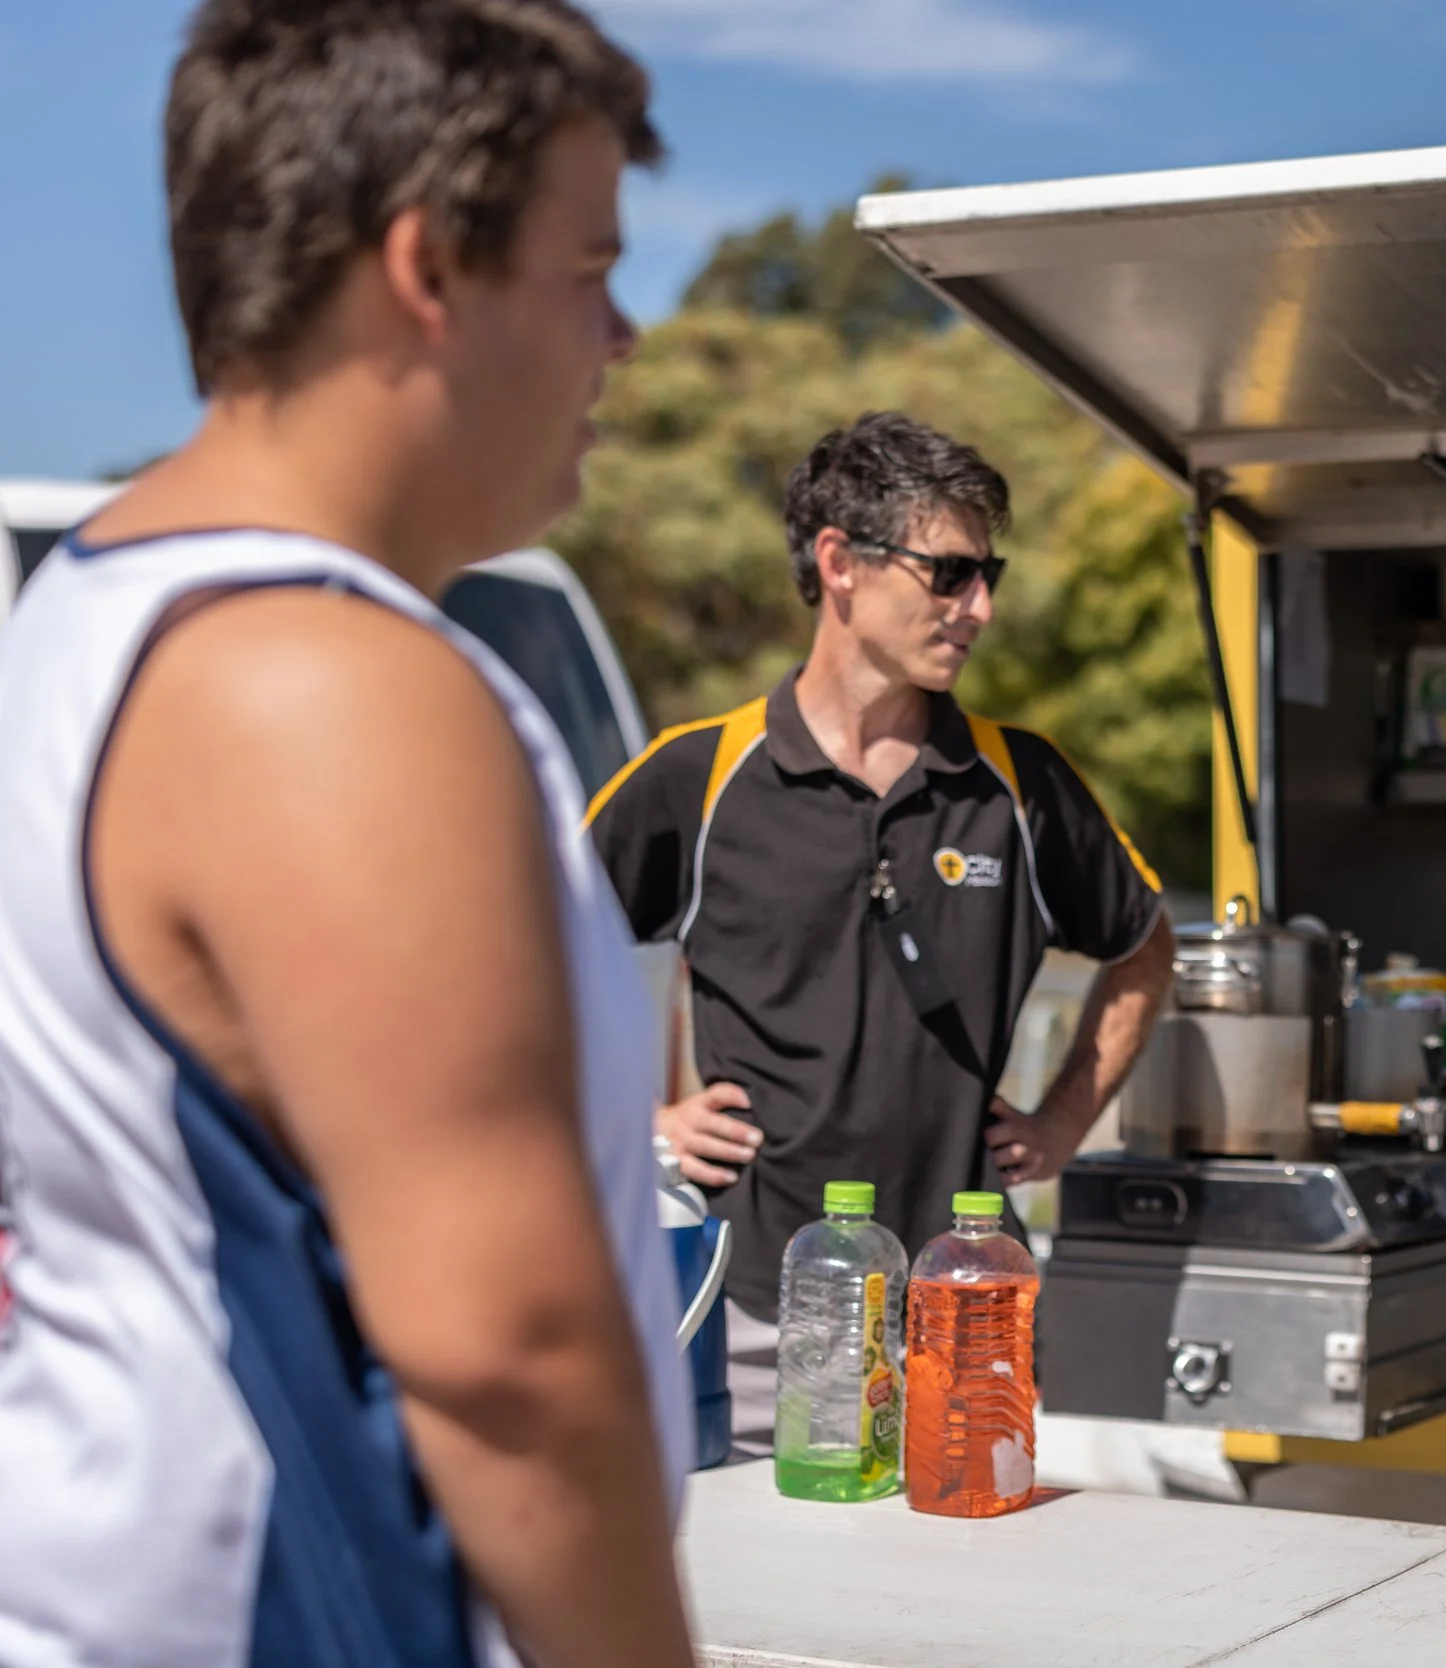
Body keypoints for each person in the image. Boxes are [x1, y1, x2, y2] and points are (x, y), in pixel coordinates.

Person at [0, 4, 696, 1666]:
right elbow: (508, 1355)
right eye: (588, 267)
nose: (624, 335)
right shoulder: (322, 683)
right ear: (427, 267)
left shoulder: (94, 602)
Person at [587, 412, 1173, 1441]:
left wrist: (1062, 1120)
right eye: (948, 573)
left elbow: (1143, 945)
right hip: (755, 1321)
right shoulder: (697, 776)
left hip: (966, 1317)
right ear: (840, 563)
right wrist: (639, 1123)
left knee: (957, 1595)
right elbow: (530, 954)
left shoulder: (1024, 784)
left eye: (988, 573)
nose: (978, 607)